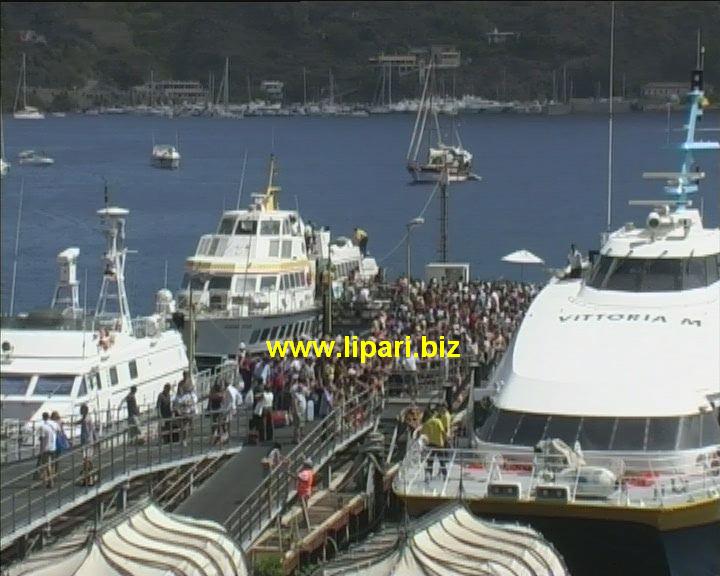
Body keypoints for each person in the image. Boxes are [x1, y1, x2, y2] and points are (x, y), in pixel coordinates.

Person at [420, 408, 447, 482]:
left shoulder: (427, 423)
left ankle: (429, 476)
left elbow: (422, 434)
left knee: (430, 462)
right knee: (442, 461)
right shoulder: (438, 421)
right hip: (439, 444)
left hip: (430, 445)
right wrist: (446, 439)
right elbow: (443, 431)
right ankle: (445, 476)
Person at [78, 404, 98, 486]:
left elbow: (92, 429)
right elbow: (80, 422)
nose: (80, 411)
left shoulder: (87, 419)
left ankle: (88, 475)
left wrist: (96, 440)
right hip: (85, 441)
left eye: (81, 410)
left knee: (86, 459)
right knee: (86, 459)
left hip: (88, 441)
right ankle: (90, 474)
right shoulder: (84, 418)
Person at [38, 412, 58, 488]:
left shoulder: (43, 427)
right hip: (53, 447)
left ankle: (50, 481)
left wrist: (40, 451)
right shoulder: (54, 424)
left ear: (43, 417)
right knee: (50, 464)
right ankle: (46, 481)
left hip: (46, 448)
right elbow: (58, 431)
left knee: (46, 465)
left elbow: (41, 438)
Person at [296, 458, 315, 529]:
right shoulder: (310, 472)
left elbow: (300, 477)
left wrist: (297, 474)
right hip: (307, 492)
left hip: (303, 493)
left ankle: (306, 523)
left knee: (304, 508)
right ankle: (305, 522)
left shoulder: (306, 472)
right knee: (305, 508)